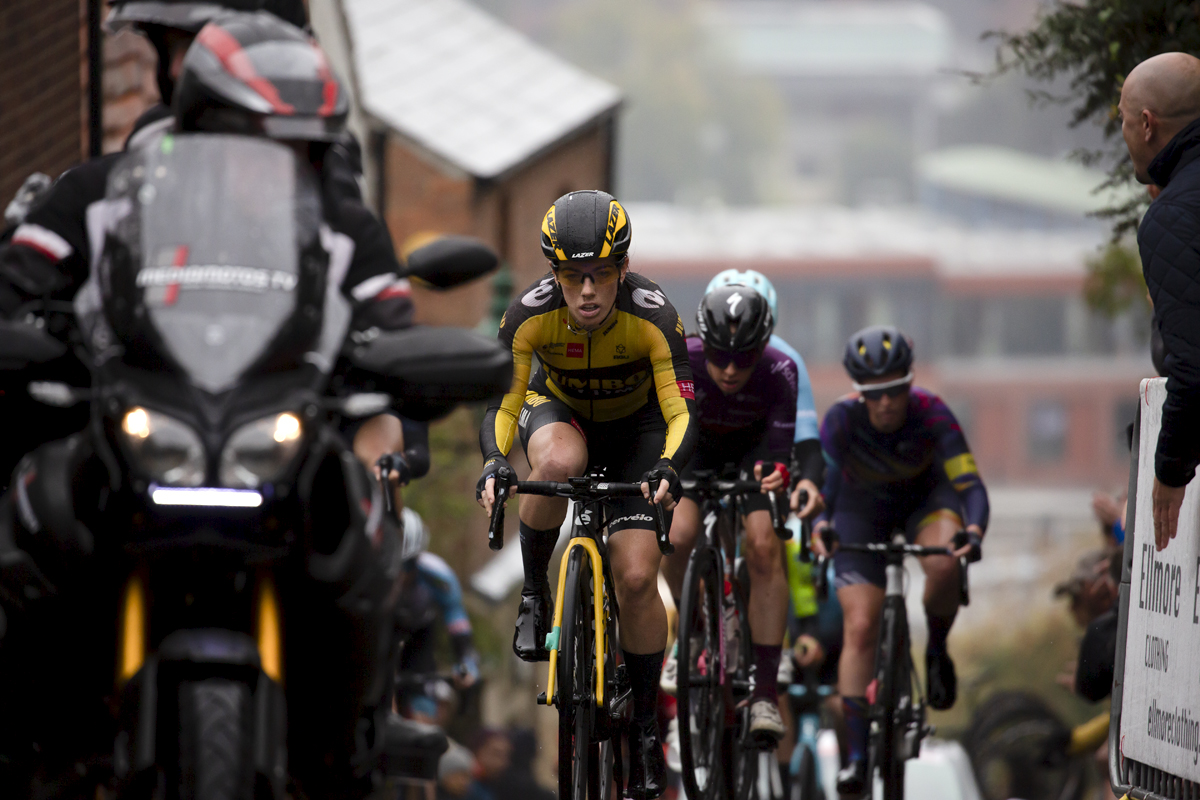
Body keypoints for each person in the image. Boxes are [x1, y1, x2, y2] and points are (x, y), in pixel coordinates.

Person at [0, 11, 412, 485]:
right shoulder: (97, 198)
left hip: (287, 461)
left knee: (381, 454)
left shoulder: (345, 229)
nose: (283, 169)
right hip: (112, 449)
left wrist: (405, 397)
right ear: (200, 132)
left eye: (305, 152)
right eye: (260, 148)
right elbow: (15, 283)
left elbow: (398, 343)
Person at [476, 190, 697, 800]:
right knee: (552, 463)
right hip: (562, 416)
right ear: (555, 275)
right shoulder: (527, 315)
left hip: (638, 433)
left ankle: (649, 725)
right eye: (573, 277)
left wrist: (669, 468)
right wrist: (495, 461)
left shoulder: (653, 315)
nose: (589, 290)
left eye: (601, 274)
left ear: (622, 269)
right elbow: (503, 402)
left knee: (634, 577)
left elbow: (679, 412)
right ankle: (534, 591)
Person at [809, 325, 986, 795]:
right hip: (860, 508)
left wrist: (974, 530)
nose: (885, 403)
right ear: (858, 392)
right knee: (861, 625)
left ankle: (935, 648)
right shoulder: (842, 419)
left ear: (910, 383)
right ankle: (854, 754)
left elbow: (969, 485)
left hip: (926, 501)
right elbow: (823, 494)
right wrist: (818, 529)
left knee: (945, 564)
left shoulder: (931, 412)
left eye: (895, 391)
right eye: (874, 394)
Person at [659, 284, 799, 742]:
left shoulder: (781, 370)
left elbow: (779, 451)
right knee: (677, 534)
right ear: (705, 343)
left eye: (745, 357)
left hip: (751, 456)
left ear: (764, 348)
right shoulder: (684, 359)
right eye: (721, 356)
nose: (731, 369)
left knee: (762, 545)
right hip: (696, 451)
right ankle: (690, 629)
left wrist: (778, 474)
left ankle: (763, 694)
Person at [1119, 52, 1200, 550]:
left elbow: (1193, 366)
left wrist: (1169, 472)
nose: (1124, 132)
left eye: (1125, 119)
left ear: (1147, 124)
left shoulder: (1173, 217)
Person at [701, 269, 825, 518]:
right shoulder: (692, 352)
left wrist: (809, 480)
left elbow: (806, 438)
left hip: (760, 448)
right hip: (708, 446)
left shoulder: (787, 361)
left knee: (764, 539)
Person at [395, 509, 481, 720]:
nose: (401, 574)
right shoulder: (366, 571)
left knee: (424, 721)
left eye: (408, 565)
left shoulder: (438, 577)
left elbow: (458, 627)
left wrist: (466, 665)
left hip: (417, 653)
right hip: (379, 644)